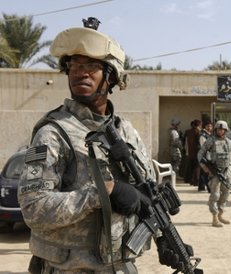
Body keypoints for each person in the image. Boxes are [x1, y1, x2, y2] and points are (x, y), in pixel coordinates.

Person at [18, 18, 192, 274]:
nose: (80, 72)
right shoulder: (54, 133)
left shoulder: (126, 132)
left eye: (91, 66)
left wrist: (163, 238)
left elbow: (145, 196)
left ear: (110, 76)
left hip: (121, 267)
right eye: (74, 65)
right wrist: (103, 193)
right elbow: (33, 209)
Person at [197, 120, 231, 227]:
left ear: (225, 130)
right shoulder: (211, 140)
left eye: (222, 129)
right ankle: (214, 218)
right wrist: (205, 167)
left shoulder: (229, 142)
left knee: (225, 194)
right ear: (216, 130)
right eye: (218, 129)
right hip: (215, 171)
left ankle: (220, 214)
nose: (220, 131)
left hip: (227, 171)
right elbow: (200, 154)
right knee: (215, 195)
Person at [183, 119, 202, 185]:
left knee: (190, 166)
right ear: (199, 125)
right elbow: (199, 143)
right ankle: (196, 181)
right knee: (197, 167)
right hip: (197, 151)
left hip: (190, 152)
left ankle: (189, 180)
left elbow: (184, 142)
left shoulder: (188, 131)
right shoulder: (199, 132)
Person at [198, 119, 213, 192]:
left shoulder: (209, 135)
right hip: (205, 156)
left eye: (211, 126)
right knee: (207, 172)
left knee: (203, 172)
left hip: (208, 155)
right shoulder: (203, 135)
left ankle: (201, 186)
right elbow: (204, 147)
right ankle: (209, 188)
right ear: (205, 127)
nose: (210, 128)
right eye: (208, 126)